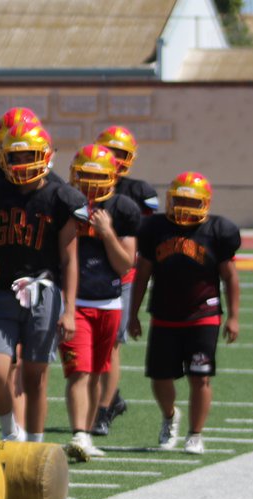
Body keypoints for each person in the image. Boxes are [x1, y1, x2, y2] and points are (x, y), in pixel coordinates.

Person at [0, 122, 82, 445]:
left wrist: (70, 310)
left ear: (46, 155)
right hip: (1, 290)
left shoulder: (61, 195)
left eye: (29, 156)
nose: (22, 164)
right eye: (15, 156)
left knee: (35, 377)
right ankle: (11, 432)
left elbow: (69, 258)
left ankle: (35, 444)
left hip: (43, 292)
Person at [128, 171, 240, 455]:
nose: (184, 208)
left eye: (192, 203)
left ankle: (195, 433)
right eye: (179, 201)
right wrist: (133, 314)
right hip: (164, 313)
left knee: (199, 376)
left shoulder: (217, 231)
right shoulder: (155, 228)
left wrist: (234, 316)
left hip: (203, 314)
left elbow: (230, 277)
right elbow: (142, 275)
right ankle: (169, 417)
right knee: (160, 377)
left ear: (205, 203)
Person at [60, 144, 139, 460]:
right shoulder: (66, 204)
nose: (91, 185)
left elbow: (125, 265)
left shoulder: (123, 209)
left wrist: (106, 233)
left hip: (109, 301)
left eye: (98, 177)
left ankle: (88, 433)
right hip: (75, 301)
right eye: (85, 176)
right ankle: (79, 433)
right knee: (79, 371)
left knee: (94, 372)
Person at [91, 125, 160, 436]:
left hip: (123, 277)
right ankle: (112, 397)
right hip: (86, 275)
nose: (115, 159)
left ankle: (102, 410)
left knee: (110, 348)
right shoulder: (84, 185)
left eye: (121, 153)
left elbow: (149, 237)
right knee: (83, 349)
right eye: (111, 151)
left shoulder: (138, 191)